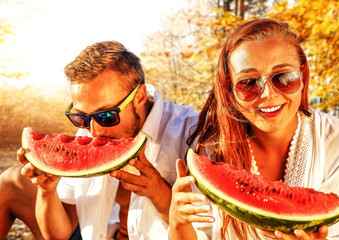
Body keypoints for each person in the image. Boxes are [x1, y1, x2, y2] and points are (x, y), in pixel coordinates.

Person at [169, 19, 339, 240]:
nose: (268, 94)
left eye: (284, 78)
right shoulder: (212, 149)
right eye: (248, 83)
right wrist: (177, 222)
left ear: (303, 75)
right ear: (229, 90)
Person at [0, 40, 199, 239]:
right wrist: (46, 190)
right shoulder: (87, 133)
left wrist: (159, 193)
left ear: (139, 96)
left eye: (106, 116)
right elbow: (60, 235)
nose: (94, 132)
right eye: (82, 118)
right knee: (10, 181)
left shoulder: (192, 134)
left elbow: (211, 233)